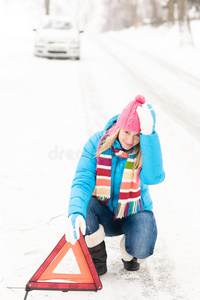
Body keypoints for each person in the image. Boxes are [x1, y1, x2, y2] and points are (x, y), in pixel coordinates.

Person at [65, 95, 165, 276]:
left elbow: (154, 178)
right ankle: (97, 259)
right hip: (102, 211)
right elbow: (83, 179)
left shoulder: (144, 148)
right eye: (127, 132)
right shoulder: (98, 143)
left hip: (134, 211)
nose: (130, 140)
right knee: (85, 204)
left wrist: (149, 137)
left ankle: (129, 253)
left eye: (137, 135)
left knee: (141, 248)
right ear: (119, 126)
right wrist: (75, 211)